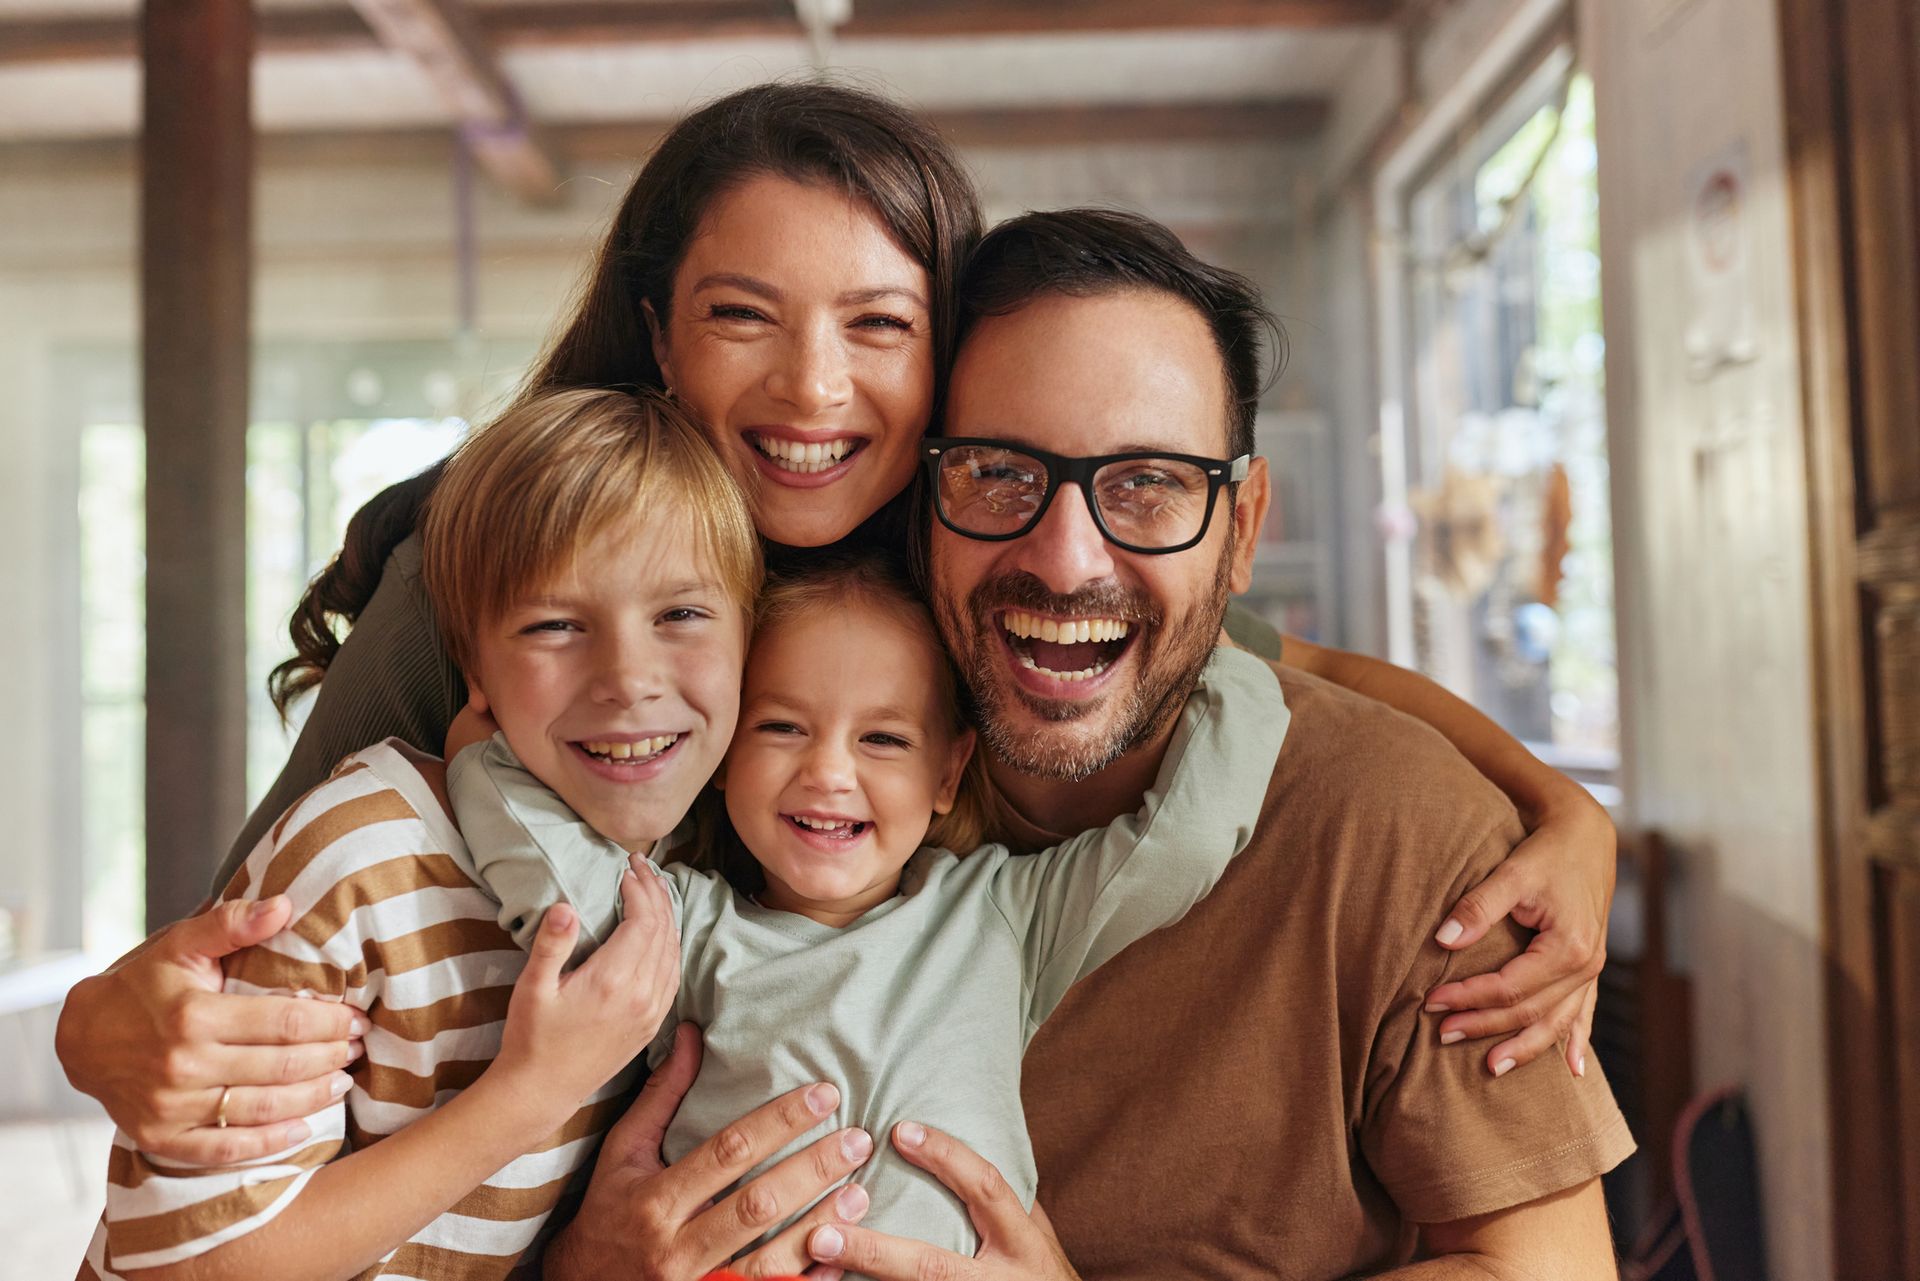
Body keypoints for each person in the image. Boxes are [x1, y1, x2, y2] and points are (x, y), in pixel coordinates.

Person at [55, 82, 1614, 1268]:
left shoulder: (968, 573)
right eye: (747, 318)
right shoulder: (518, 563)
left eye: (879, 324)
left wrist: (1557, 803)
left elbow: (1256, 654)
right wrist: (88, 1030)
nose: (812, 387)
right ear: (660, 336)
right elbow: (251, 918)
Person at [777, 209, 1629, 1278]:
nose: (1064, 555)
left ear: (1243, 527)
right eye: (997, 472)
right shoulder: (787, 787)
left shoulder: (1411, 841)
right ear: (922, 506)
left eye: (1147, 485)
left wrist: (1561, 808)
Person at [448, 548, 1287, 1258]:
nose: (829, 773)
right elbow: (536, 854)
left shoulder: (1005, 912)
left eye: (883, 738)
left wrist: (1215, 644)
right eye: (781, 727)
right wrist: (477, 739)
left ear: (948, 773)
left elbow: (1190, 833)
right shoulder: (685, 928)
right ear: (723, 751)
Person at [80, 388, 747, 1280]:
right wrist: (531, 1090)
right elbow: (194, 1264)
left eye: (682, 615)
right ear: (474, 667)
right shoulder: (358, 859)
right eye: (556, 625)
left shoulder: (690, 862)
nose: (629, 678)